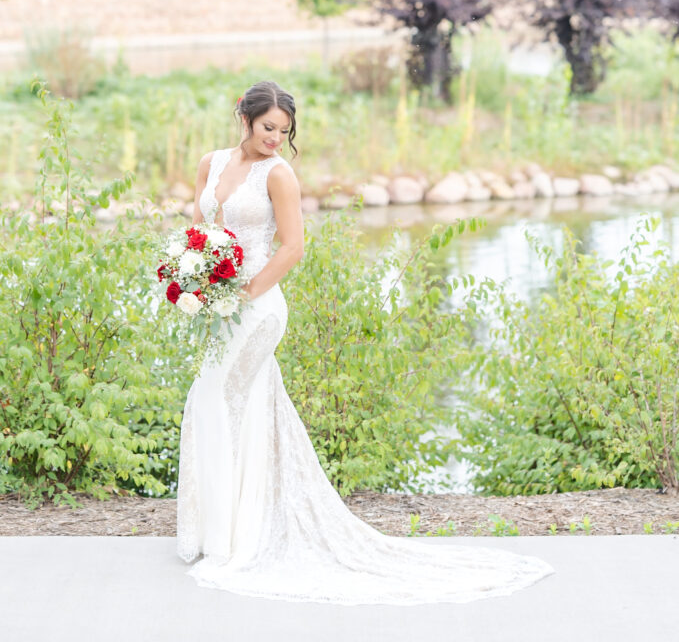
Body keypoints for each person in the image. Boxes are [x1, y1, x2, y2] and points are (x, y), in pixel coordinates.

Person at [176, 79, 553, 604]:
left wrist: (246, 292)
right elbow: (198, 228)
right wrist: (193, 276)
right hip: (217, 306)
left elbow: (292, 247)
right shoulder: (210, 163)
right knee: (223, 400)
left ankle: (233, 537)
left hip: (258, 307)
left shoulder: (279, 175)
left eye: (285, 132)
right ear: (245, 118)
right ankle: (224, 528)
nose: (276, 139)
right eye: (268, 128)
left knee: (220, 398)